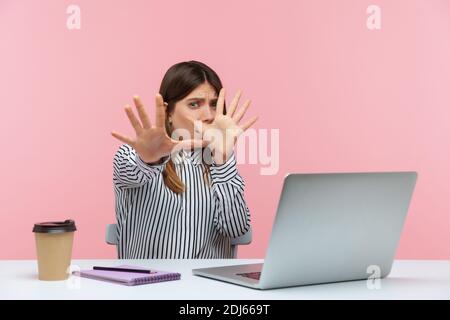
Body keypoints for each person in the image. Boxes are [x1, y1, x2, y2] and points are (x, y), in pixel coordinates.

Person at [111, 61, 258, 258]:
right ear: (168, 112)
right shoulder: (131, 154)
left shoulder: (219, 161)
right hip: (149, 286)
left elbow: (236, 230)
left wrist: (223, 160)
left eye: (214, 105)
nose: (208, 115)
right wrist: (151, 160)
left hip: (208, 287)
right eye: (194, 104)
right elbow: (131, 173)